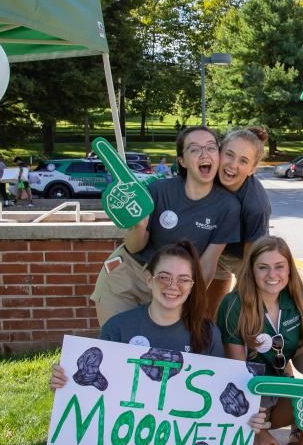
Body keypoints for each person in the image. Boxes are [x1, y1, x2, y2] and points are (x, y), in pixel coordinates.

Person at [51, 240, 267, 445]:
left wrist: (247, 417)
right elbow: (98, 392)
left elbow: (221, 397)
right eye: (164, 277)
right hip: (126, 438)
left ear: (192, 286)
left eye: (183, 279)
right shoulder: (119, 327)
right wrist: (67, 381)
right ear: (150, 279)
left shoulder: (206, 333)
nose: (173, 286)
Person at [90, 126, 241, 327]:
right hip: (129, 275)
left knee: (161, 353)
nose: (204, 154)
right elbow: (133, 247)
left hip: (172, 286)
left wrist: (191, 301)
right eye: (194, 149)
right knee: (118, 347)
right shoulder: (158, 190)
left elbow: (207, 264)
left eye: (211, 148)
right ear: (182, 161)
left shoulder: (228, 206)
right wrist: (139, 226)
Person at [217, 235, 303, 445]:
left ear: (289, 267)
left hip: (278, 390)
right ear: (251, 270)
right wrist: (257, 430)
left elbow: (300, 353)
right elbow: (236, 374)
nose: (272, 274)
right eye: (263, 267)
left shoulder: (299, 299)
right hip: (244, 401)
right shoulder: (233, 305)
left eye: (279, 266)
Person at [206, 126, 272, 315]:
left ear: (252, 169)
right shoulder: (207, 174)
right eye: (229, 155)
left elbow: (251, 260)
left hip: (241, 256)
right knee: (206, 313)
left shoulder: (256, 206)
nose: (233, 165)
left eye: (243, 161)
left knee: (239, 310)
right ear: (219, 152)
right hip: (213, 246)